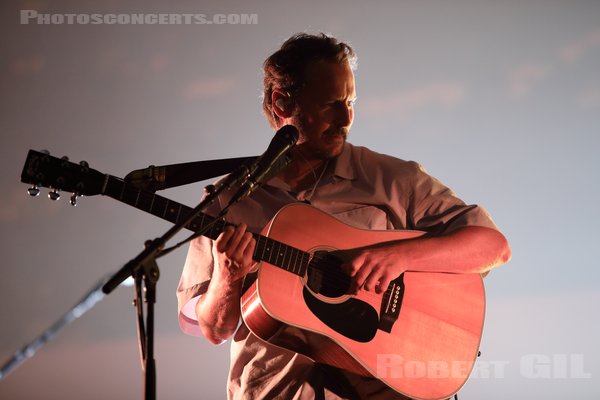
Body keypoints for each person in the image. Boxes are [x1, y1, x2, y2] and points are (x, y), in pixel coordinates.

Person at [177, 33, 511, 400]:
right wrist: (227, 275)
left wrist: (397, 257)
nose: (345, 118)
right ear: (281, 103)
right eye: (330, 104)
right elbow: (211, 329)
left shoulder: (391, 179)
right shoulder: (229, 200)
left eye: (351, 102)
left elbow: (492, 246)